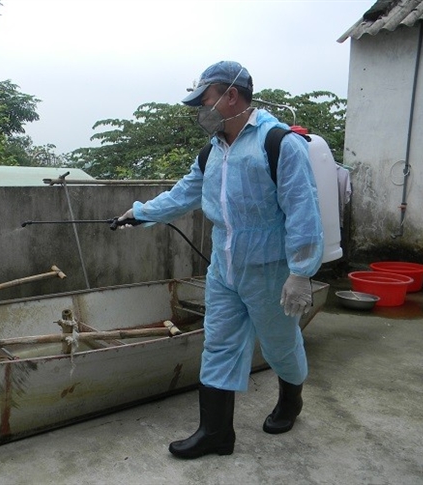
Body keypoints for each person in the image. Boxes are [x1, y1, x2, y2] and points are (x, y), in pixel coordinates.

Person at [118, 60, 324, 459]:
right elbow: (183, 194)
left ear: (231, 95)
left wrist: (300, 273)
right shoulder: (212, 151)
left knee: (280, 344)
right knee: (218, 344)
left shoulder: (279, 143)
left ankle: (290, 401)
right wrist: (140, 213)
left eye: (205, 99)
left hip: (270, 270)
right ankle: (215, 433)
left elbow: (303, 211)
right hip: (225, 267)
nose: (201, 110)